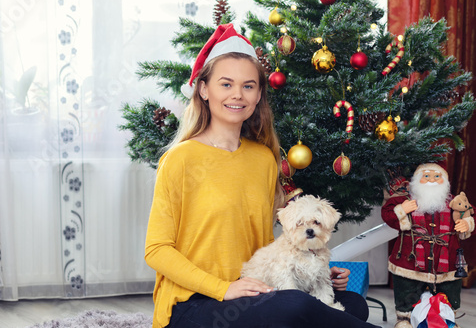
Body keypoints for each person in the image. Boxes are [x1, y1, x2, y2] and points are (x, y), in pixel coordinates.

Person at [145, 23, 378, 328]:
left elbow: (267, 245)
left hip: (253, 288)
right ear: (204, 90)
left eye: (248, 85)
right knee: (298, 306)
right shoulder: (180, 159)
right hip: (196, 303)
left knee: (352, 303)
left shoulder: (262, 159)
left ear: (258, 95)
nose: (237, 95)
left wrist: (309, 265)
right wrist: (224, 288)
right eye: (226, 84)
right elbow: (157, 250)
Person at [381, 163, 475, 328]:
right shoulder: (406, 199)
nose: (432, 179)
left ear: (444, 181)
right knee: (407, 289)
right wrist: (401, 209)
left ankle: (447, 318)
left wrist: (467, 223)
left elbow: (471, 212)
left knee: (449, 290)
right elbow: (387, 214)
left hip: (447, 259)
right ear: (417, 180)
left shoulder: (455, 202)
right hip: (410, 259)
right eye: (427, 176)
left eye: (437, 176)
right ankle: (404, 319)